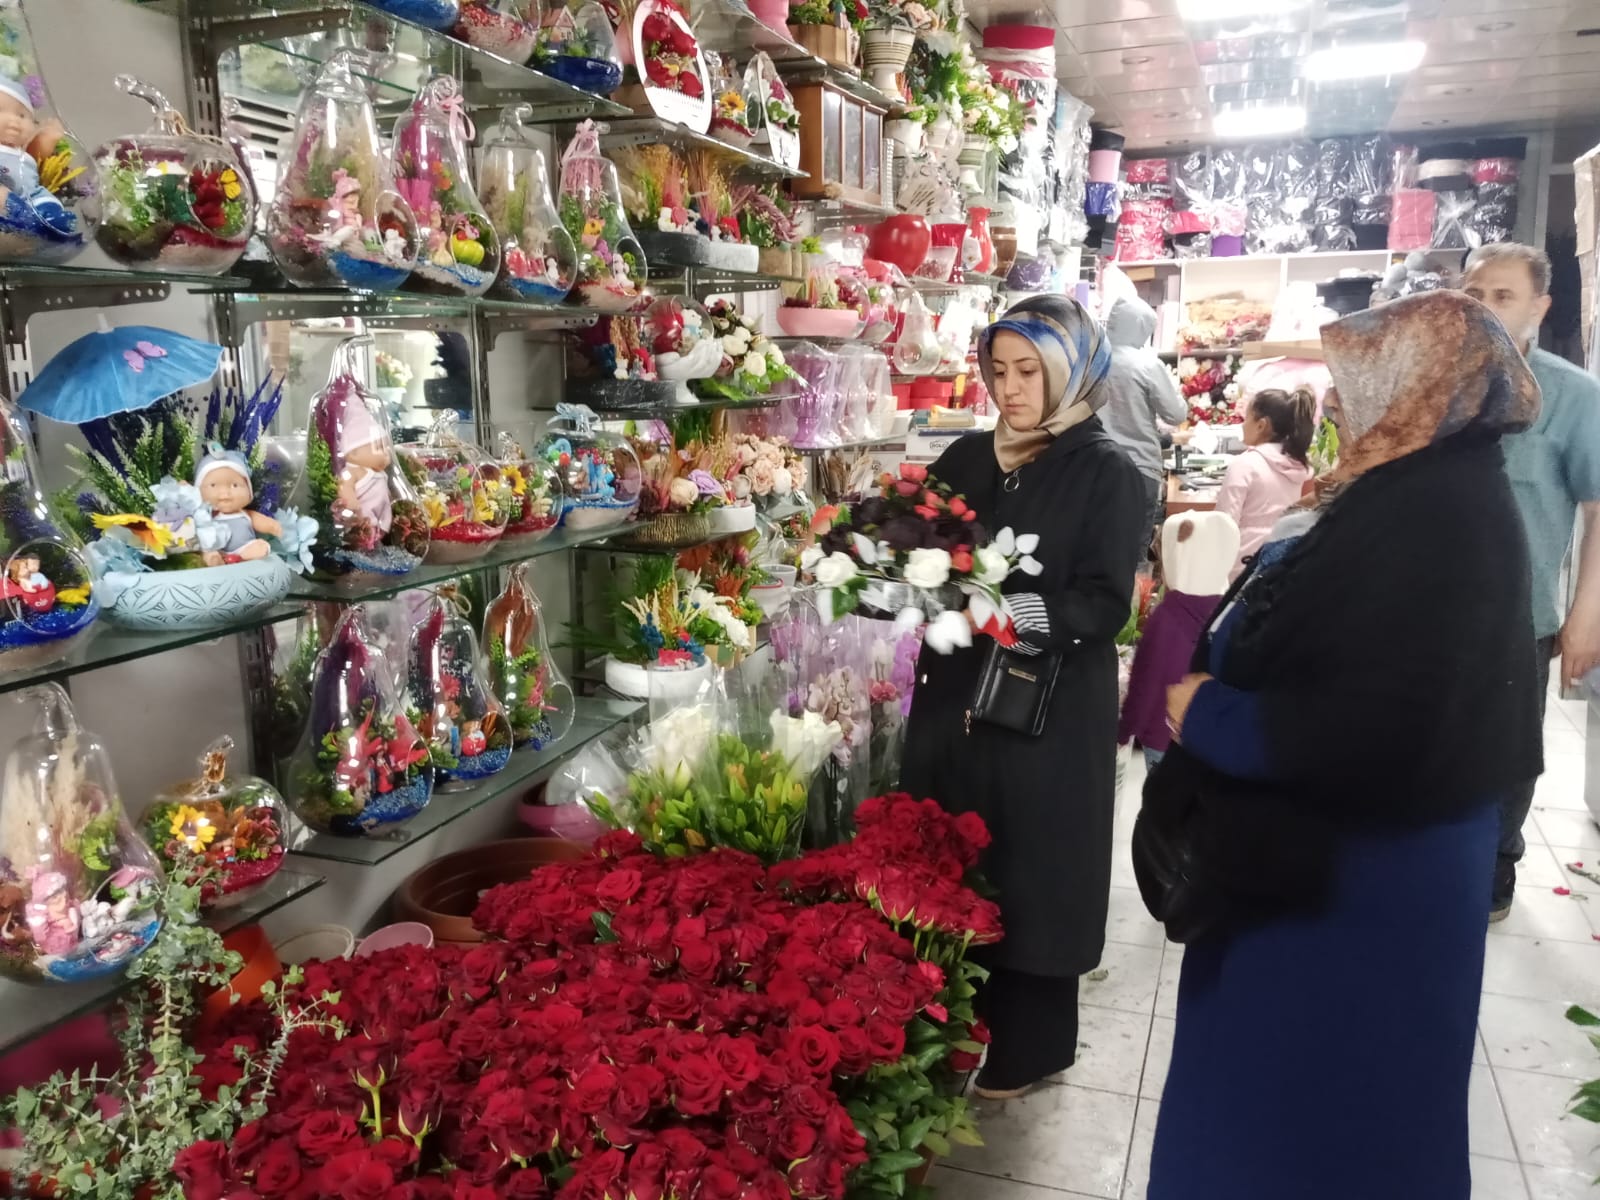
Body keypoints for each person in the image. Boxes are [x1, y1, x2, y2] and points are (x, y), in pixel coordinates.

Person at [1144, 291, 1543, 1200]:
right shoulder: (1432, 489)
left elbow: (1381, 725)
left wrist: (1209, 711)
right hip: (1361, 874)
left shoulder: (1432, 517)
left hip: (1350, 894)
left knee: (1308, 1121)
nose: (1341, 403)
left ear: (1419, 383)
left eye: (1361, 380)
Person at [899, 294, 1145, 1100]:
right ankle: (945, 1029)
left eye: (1029, 371)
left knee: (1033, 869)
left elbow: (1106, 604)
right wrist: (884, 560)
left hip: (1044, 711)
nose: (1010, 390)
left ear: (1072, 369)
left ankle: (1029, 1049)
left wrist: (1003, 612)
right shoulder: (968, 458)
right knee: (950, 855)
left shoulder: (1109, 472)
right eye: (998, 371)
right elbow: (918, 542)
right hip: (954, 701)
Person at [1462, 242, 1600, 921]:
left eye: (1503, 296)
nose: (1484, 308)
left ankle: (1495, 869)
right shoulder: (1439, 383)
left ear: (1540, 307)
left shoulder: (1572, 395)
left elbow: (1599, 509)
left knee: (1509, 752)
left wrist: (1585, 615)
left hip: (1523, 613)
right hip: (1429, 605)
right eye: (1475, 293)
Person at [1119, 510, 1238, 771]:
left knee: (1163, 803)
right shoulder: (1230, 610)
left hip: (1163, 735)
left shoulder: (1166, 617)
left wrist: (1123, 731)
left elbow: (1145, 682)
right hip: (1211, 733)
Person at [1097, 296, 1187, 553]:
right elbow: (1176, 414)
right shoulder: (1147, 363)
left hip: (1095, 467)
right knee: (1134, 552)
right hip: (1139, 468)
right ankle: (1135, 593)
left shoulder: (1092, 360)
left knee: (1097, 547)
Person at [1214, 386, 1316, 579]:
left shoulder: (1245, 464)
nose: (1243, 425)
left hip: (1240, 565)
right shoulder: (1298, 466)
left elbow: (1224, 526)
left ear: (1261, 425)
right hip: (1280, 558)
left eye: (1246, 418)